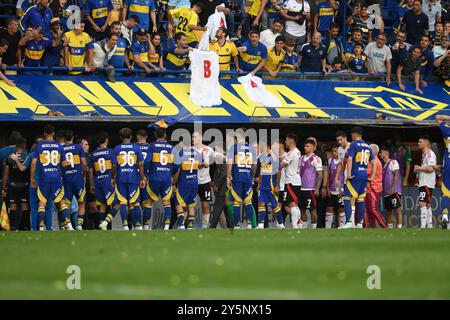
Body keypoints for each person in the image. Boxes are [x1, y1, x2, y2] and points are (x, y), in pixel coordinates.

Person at [30, 125, 73, 231]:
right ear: (53, 133)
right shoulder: (59, 146)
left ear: (44, 133)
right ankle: (69, 224)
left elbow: (34, 162)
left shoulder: (39, 146)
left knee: (42, 202)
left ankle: (40, 227)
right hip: (56, 178)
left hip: (44, 177)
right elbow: (63, 164)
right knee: (61, 201)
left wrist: (32, 178)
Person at [339, 126, 375, 229]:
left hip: (355, 174)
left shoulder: (353, 144)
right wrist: (371, 176)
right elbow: (374, 163)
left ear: (354, 134)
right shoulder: (367, 146)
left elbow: (350, 159)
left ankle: (349, 222)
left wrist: (349, 174)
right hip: (364, 174)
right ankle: (359, 224)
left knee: (347, 197)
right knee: (360, 199)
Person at [111, 128, 146, 230]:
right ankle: (139, 226)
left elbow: (114, 165)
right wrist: (142, 178)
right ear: (131, 137)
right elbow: (140, 164)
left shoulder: (116, 149)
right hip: (133, 178)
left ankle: (125, 226)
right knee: (136, 202)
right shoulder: (136, 148)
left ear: (121, 137)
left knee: (123, 203)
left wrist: (113, 177)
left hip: (121, 178)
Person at [145, 123, 174, 230]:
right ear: (165, 136)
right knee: (166, 202)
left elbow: (147, 161)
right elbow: (176, 164)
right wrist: (171, 173)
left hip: (154, 177)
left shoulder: (152, 146)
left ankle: (146, 226)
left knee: (149, 202)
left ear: (155, 135)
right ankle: (166, 226)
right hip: (166, 178)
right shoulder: (171, 147)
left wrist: (146, 174)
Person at [226, 129, 256, 229]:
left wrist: (228, 177)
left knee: (236, 202)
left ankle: (237, 225)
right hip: (247, 178)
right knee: (248, 201)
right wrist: (251, 175)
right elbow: (254, 165)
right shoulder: (251, 148)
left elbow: (229, 163)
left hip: (237, 178)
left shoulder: (234, 147)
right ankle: (250, 224)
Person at [90, 132, 120, 230]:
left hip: (98, 181)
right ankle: (105, 223)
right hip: (107, 181)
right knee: (117, 204)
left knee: (102, 205)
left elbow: (90, 170)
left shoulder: (93, 154)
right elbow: (115, 165)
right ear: (106, 140)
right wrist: (113, 177)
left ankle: (102, 225)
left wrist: (92, 184)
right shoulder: (111, 152)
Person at [61, 130, 88, 230]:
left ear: (64, 139)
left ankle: (68, 224)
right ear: (72, 137)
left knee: (66, 202)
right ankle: (79, 225)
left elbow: (61, 165)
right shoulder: (78, 147)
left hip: (66, 179)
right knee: (82, 202)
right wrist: (84, 175)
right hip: (78, 178)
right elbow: (84, 164)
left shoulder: (61, 148)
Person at [2, 138, 30, 231]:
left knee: (13, 206)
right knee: (25, 205)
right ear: (25, 145)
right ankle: (26, 228)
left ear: (16, 146)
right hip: (25, 185)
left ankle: (13, 227)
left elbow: (6, 172)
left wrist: (4, 187)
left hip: (13, 185)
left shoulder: (10, 157)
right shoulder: (27, 156)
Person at [172, 143, 203, 229]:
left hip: (184, 183)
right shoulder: (197, 153)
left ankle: (181, 225)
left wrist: (174, 183)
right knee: (191, 205)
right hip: (194, 182)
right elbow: (201, 165)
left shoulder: (180, 153)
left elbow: (177, 170)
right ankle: (190, 226)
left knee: (179, 204)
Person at [256, 140, 283, 229]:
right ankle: (260, 225)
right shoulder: (262, 156)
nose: (260, 147)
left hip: (271, 185)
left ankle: (280, 224)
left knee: (275, 205)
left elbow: (279, 172)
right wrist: (259, 184)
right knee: (261, 204)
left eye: (261, 145)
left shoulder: (274, 156)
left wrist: (277, 185)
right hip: (263, 185)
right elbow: (261, 171)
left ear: (267, 145)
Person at [192, 131, 216, 229]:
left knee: (205, 205)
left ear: (200, 138)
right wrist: (199, 165)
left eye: (195, 137)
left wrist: (213, 179)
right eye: (192, 137)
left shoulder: (209, 149)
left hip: (205, 182)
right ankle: (187, 225)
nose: (193, 139)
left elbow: (216, 163)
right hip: (192, 181)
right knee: (189, 205)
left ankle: (204, 226)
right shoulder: (190, 150)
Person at [299, 139, 323, 229]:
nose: (305, 148)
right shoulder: (300, 158)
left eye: (308, 146)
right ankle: (304, 228)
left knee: (312, 210)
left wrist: (317, 188)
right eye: (305, 146)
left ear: (313, 147)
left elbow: (320, 174)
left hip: (311, 189)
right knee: (302, 210)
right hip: (301, 188)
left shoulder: (316, 159)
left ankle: (313, 228)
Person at [415, 135, 436, 228]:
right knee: (427, 203)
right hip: (424, 182)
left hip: (427, 182)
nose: (418, 143)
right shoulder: (424, 154)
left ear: (426, 143)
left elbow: (432, 168)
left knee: (422, 202)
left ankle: (423, 226)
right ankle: (430, 226)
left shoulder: (430, 154)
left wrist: (420, 168)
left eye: (420, 142)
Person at [281, 133, 301, 228]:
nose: (285, 142)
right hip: (295, 180)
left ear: (290, 141)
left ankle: (295, 225)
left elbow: (282, 164)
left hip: (291, 181)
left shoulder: (291, 152)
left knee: (292, 203)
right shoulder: (297, 152)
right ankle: (298, 223)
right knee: (294, 204)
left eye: (286, 140)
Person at [380, 145, 403, 229]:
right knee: (389, 212)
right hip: (387, 192)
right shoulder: (384, 165)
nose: (380, 154)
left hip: (394, 191)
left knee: (397, 210)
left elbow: (396, 175)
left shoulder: (393, 162)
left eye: (381, 152)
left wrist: (393, 188)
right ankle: (390, 228)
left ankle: (399, 227)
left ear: (386, 153)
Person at [365, 144, 386, 228]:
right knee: (369, 210)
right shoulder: (376, 160)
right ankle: (372, 227)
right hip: (373, 187)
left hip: (373, 188)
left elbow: (367, 172)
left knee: (373, 209)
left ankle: (384, 226)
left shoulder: (373, 161)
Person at [435, 115, 450, 229]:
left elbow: (437, 117)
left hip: (448, 164)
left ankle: (445, 216)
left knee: (446, 193)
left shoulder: (447, 130)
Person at [325, 144, 345, 228]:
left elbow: (346, 175)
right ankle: (327, 229)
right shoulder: (330, 161)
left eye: (335, 151)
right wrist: (327, 188)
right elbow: (328, 175)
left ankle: (341, 228)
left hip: (341, 190)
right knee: (329, 209)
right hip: (332, 189)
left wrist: (343, 189)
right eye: (332, 151)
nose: (333, 153)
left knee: (341, 210)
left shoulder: (344, 162)